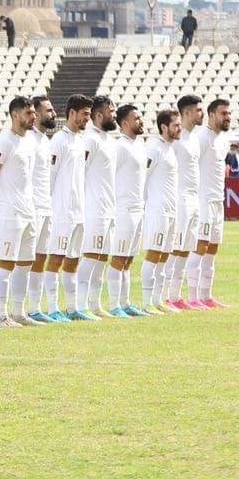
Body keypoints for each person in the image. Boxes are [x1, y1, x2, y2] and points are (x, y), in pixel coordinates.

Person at [0, 96, 39, 327]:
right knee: (6, 263)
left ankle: (19, 312)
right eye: (29, 113)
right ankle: (1, 315)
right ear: (15, 115)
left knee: (26, 262)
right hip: (10, 212)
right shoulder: (5, 142)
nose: (33, 117)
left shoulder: (30, 141)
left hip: (29, 210)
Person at [48, 95, 92, 320]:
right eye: (84, 113)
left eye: (89, 114)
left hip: (78, 210)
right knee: (55, 259)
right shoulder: (59, 140)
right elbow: (51, 177)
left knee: (73, 260)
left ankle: (73, 308)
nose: (88, 118)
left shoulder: (82, 140)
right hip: (61, 210)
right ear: (72, 113)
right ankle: (53, 308)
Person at [77, 95, 119, 320]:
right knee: (92, 256)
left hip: (110, 207)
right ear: (99, 115)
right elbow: (80, 171)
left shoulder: (111, 141)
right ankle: (79, 305)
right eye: (111, 111)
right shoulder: (90, 139)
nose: (115, 115)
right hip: (94, 208)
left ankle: (94, 304)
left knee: (103, 258)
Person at [189, 98, 233, 308]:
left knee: (213, 248)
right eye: (224, 114)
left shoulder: (224, 140)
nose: (228, 117)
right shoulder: (201, 138)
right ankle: (191, 297)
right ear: (212, 115)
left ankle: (206, 296)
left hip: (218, 200)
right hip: (204, 200)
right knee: (200, 246)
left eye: (229, 113)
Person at [107, 105, 149, 318]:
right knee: (118, 257)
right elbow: (111, 176)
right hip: (123, 209)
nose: (141, 121)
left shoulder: (140, 145)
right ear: (124, 123)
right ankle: (115, 305)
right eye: (136, 118)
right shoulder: (120, 147)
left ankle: (125, 303)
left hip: (138, 208)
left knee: (129, 258)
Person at [20, 96, 59, 322]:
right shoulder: (28, 140)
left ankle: (35, 308)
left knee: (41, 258)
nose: (52, 114)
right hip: (31, 207)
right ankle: (19, 308)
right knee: (25, 259)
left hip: (46, 207)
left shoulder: (45, 141)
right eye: (48, 110)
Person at [139, 109, 183, 313]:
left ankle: (158, 301)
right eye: (176, 125)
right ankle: (147, 302)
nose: (179, 128)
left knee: (165, 256)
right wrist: (145, 205)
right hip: (158, 211)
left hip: (171, 211)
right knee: (153, 255)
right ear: (164, 127)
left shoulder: (170, 149)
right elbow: (143, 179)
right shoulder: (154, 148)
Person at [165, 95, 204, 309]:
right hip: (180, 198)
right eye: (198, 110)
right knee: (174, 248)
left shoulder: (195, 139)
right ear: (187, 113)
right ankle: (165, 296)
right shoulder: (177, 140)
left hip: (194, 198)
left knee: (185, 248)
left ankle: (176, 295)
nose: (202, 113)